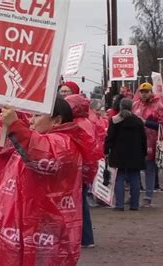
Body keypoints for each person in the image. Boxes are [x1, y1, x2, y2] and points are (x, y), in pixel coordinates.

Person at [0, 97, 84, 265]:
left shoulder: (64, 144)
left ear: (57, 120)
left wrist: (14, 124)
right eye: (30, 116)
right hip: (20, 231)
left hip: (44, 236)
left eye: (37, 116)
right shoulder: (34, 138)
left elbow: (39, 154)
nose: (31, 121)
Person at [65, 94, 102, 249]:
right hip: (85, 170)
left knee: (78, 205)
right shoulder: (85, 122)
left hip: (78, 170)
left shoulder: (77, 125)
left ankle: (84, 238)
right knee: (81, 205)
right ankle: (86, 238)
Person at [132, 82, 163, 207]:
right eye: (142, 91)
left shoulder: (158, 106)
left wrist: (146, 122)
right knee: (135, 168)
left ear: (151, 92)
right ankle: (134, 195)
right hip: (137, 141)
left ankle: (148, 196)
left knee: (149, 169)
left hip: (152, 141)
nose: (144, 94)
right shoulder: (136, 105)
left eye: (147, 91)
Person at [105, 98, 147, 211]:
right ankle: (134, 205)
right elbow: (143, 138)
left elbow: (110, 137)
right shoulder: (138, 121)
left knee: (119, 178)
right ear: (131, 107)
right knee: (135, 178)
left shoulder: (114, 120)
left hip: (119, 153)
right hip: (135, 154)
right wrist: (144, 152)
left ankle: (119, 205)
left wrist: (106, 150)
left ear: (120, 106)